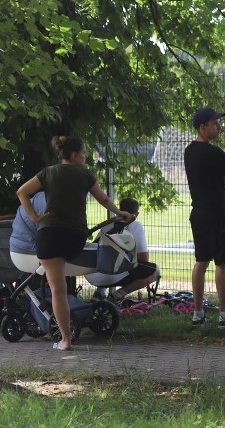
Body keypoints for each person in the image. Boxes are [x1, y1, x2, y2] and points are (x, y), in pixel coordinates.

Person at [16, 136, 136, 351]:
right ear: (74, 155)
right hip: (75, 238)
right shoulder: (85, 175)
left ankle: (65, 340)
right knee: (67, 270)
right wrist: (122, 213)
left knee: (57, 290)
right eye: (84, 152)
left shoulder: (48, 173)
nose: (86, 155)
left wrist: (34, 217)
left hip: (50, 235)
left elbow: (22, 192)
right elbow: (104, 200)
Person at [184, 107, 225, 326]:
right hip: (215, 214)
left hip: (197, 213)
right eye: (215, 123)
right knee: (223, 263)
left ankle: (198, 313)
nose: (219, 127)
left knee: (201, 261)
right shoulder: (214, 152)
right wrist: (224, 180)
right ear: (202, 127)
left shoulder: (189, 151)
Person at [87, 197, 161, 302]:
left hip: (91, 276)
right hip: (111, 276)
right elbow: (144, 258)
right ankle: (117, 295)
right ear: (137, 214)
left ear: (120, 210)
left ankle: (100, 293)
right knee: (155, 271)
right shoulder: (135, 225)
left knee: (109, 258)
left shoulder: (108, 224)